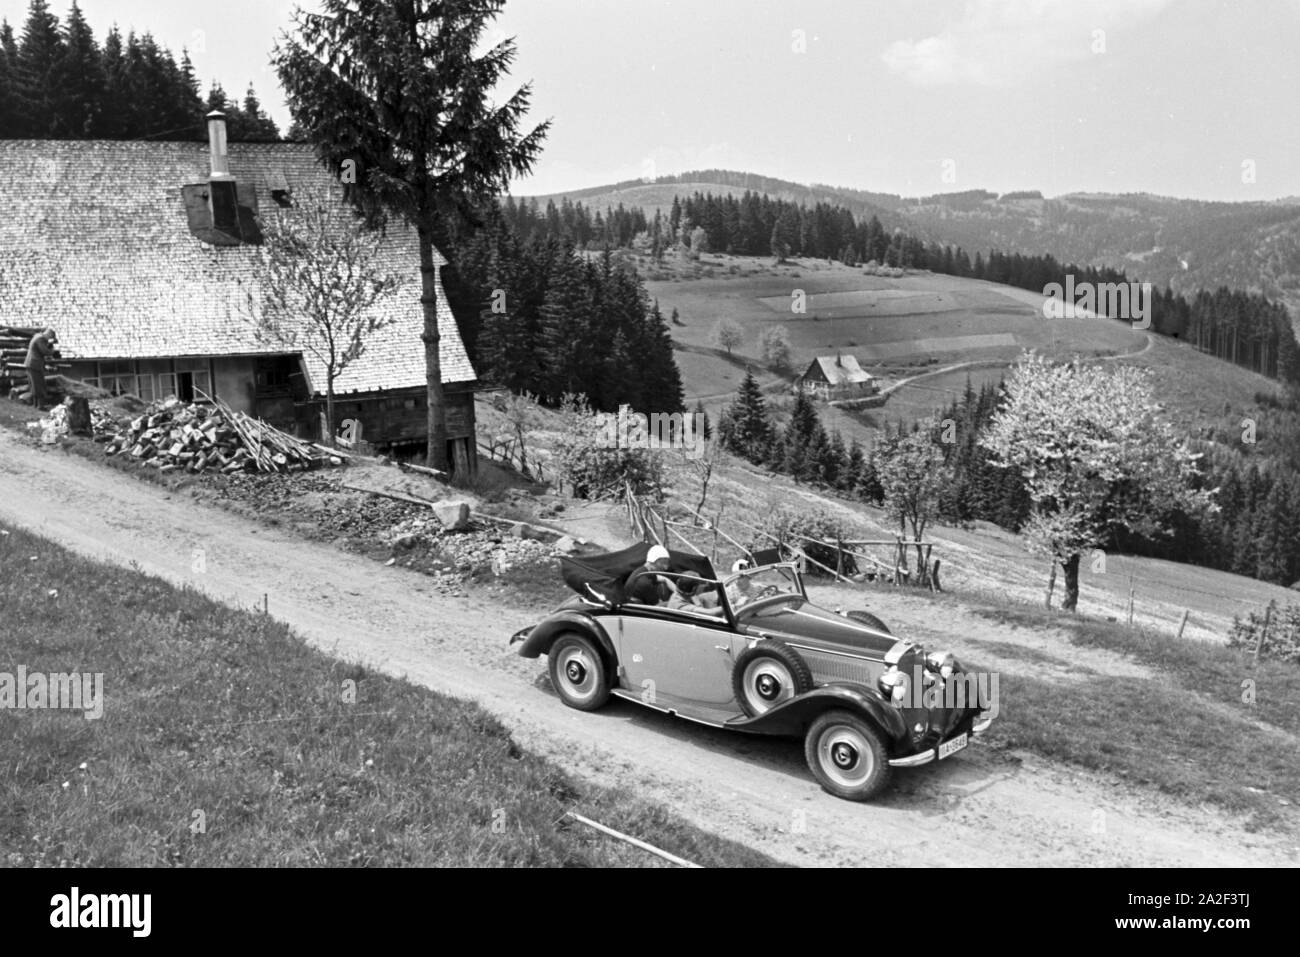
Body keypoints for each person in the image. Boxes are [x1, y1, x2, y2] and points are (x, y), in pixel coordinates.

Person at [24, 327, 56, 410]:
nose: (49, 339)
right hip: (35, 364)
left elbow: (40, 348)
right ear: (48, 334)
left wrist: (48, 343)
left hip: (31, 364)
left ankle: (35, 405)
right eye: (50, 337)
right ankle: (41, 406)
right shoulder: (40, 339)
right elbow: (45, 351)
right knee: (39, 384)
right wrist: (53, 349)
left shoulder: (37, 336)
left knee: (34, 385)